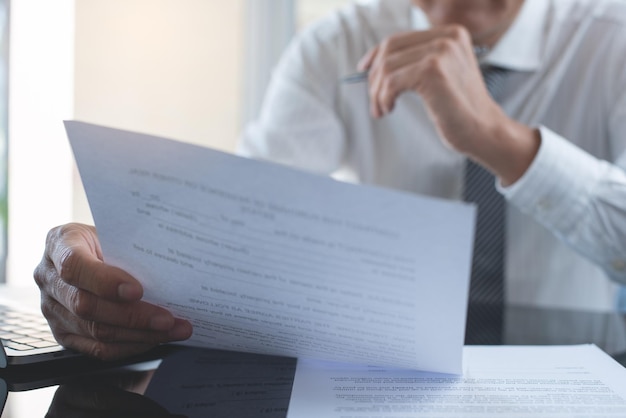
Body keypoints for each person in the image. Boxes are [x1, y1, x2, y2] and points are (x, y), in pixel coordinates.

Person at [34, 0, 626, 360]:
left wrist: (498, 140)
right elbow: (246, 223)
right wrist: (119, 263)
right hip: (388, 376)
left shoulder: (614, 39)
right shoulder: (336, 45)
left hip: (586, 370)